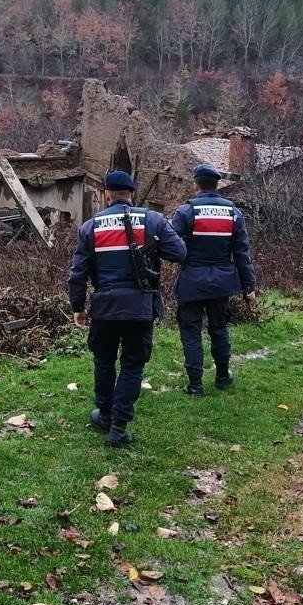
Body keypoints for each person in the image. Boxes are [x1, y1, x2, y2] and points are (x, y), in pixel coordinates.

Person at [67, 170, 187, 447]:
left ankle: (105, 414)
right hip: (140, 306)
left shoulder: (90, 227)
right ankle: (119, 427)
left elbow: (77, 274)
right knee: (133, 365)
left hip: (104, 307)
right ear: (132, 194)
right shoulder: (153, 220)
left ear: (106, 195)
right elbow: (179, 253)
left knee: (104, 361)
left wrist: (78, 307)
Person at [170, 164, 257, 396]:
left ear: (196, 184)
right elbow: (242, 254)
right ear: (217, 184)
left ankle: (195, 385)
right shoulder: (233, 213)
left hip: (191, 283)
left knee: (191, 332)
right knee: (219, 329)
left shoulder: (186, 211)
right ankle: (222, 377)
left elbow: (169, 241)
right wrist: (249, 286)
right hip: (222, 283)